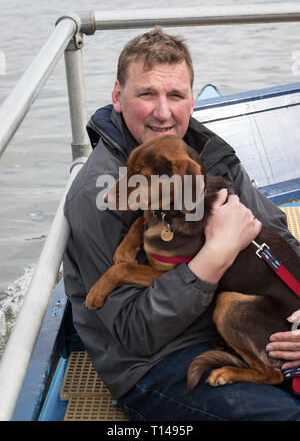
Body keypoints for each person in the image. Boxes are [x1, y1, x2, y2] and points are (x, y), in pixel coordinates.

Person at [63, 27, 300, 421]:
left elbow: (279, 233)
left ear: (191, 98)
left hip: (249, 324)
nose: (163, 111)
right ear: (118, 98)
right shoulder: (100, 195)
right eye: (146, 94)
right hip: (161, 360)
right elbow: (136, 334)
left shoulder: (206, 151)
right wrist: (216, 255)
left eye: (175, 95)